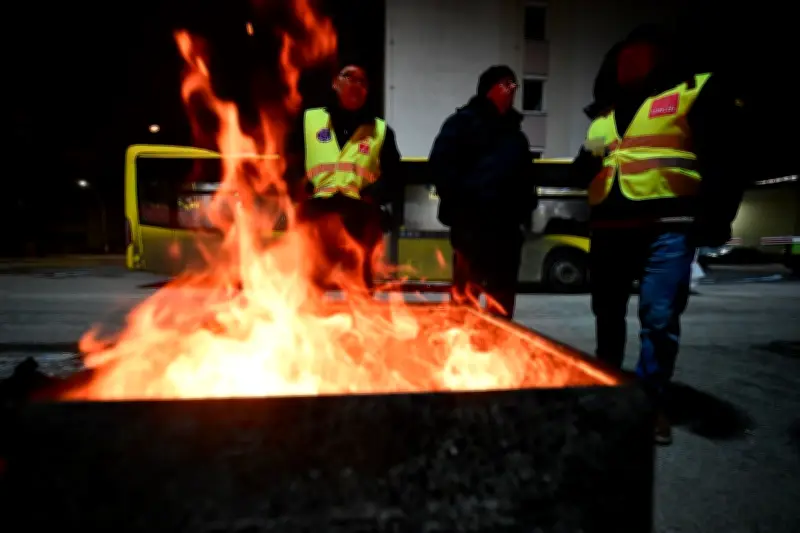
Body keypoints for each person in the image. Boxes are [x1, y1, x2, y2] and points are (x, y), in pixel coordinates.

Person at [567, 25, 746, 444]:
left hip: (667, 229)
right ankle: (607, 390)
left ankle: (649, 404)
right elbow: (582, 171)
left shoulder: (692, 93)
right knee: (607, 318)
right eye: (622, 55)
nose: (628, 61)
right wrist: (585, 168)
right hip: (610, 228)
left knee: (659, 318)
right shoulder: (603, 116)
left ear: (659, 57)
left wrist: (717, 217)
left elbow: (727, 157)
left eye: (639, 54)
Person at [429, 65, 537, 319]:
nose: (512, 92)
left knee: (501, 304)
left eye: (514, 86)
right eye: (506, 85)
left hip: (506, 233)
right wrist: (463, 208)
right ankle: (460, 352)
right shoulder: (461, 125)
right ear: (489, 89)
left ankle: (496, 353)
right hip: (471, 231)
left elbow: (526, 179)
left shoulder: (516, 136)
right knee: (464, 302)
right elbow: (440, 167)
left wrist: (523, 208)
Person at [285, 64, 402, 291]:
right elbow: (289, 159)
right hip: (316, 212)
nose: (356, 85)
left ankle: (363, 324)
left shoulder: (380, 130)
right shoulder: (310, 120)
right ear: (335, 83)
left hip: (359, 215)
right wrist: (298, 184)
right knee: (309, 283)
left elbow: (395, 175)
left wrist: (376, 194)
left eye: (363, 82)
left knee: (359, 284)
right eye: (349, 78)